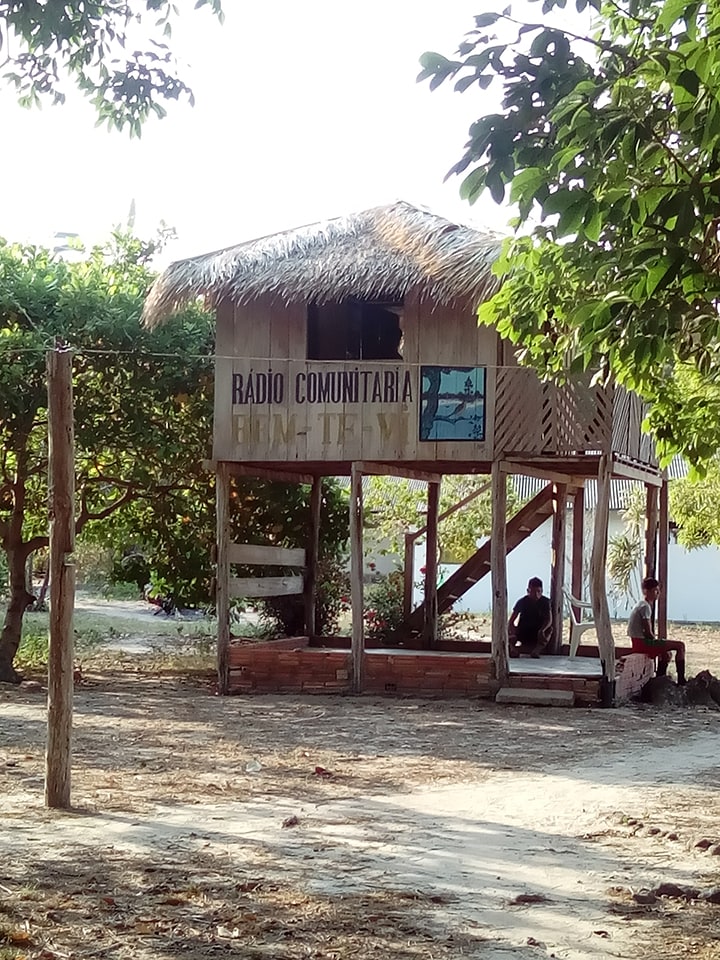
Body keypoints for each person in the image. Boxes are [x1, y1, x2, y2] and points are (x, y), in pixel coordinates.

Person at [628, 577, 686, 684]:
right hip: (642, 643)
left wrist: (661, 644)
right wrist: (658, 642)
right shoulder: (645, 607)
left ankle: (660, 679)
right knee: (680, 646)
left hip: (638, 642)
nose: (658, 592)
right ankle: (681, 680)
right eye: (655, 590)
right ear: (647, 591)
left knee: (666, 653)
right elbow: (648, 632)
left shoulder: (641, 604)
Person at [508, 577, 553, 658]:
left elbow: (549, 619)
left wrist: (542, 630)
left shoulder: (546, 602)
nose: (536, 594)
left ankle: (537, 650)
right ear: (528, 591)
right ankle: (513, 649)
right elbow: (511, 621)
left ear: (542, 591)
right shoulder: (522, 602)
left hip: (538, 633)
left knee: (550, 629)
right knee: (508, 631)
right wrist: (512, 631)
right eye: (533, 592)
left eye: (538, 591)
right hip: (523, 632)